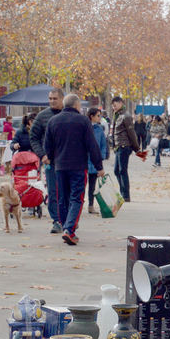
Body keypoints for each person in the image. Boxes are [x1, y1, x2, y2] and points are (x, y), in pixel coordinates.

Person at [44, 94, 104, 245]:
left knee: (62, 198)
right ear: (77, 106)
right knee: (76, 197)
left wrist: (50, 157)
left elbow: (48, 145)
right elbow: (92, 145)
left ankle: (66, 226)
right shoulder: (83, 121)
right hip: (78, 166)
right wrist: (99, 166)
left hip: (60, 166)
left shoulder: (53, 121)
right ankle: (69, 230)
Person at [31, 88, 64, 233]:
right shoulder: (42, 116)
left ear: (62, 99)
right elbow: (34, 137)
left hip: (68, 160)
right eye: (50, 98)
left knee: (67, 192)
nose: (52, 101)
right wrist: (42, 155)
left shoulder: (68, 114)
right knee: (53, 191)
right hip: (50, 162)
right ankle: (57, 221)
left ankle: (68, 219)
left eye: (55, 98)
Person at [110, 96, 140, 202]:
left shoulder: (125, 116)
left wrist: (136, 148)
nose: (114, 107)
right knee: (117, 171)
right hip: (118, 146)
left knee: (122, 170)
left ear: (121, 103)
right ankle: (123, 192)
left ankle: (126, 195)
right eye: (113, 106)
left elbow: (131, 133)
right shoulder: (117, 115)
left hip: (124, 146)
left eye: (115, 105)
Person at [86, 107, 108, 214]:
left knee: (92, 185)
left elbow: (103, 144)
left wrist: (102, 156)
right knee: (80, 184)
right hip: (84, 160)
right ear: (92, 116)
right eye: (98, 115)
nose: (100, 118)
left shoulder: (100, 129)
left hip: (95, 161)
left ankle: (91, 205)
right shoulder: (84, 128)